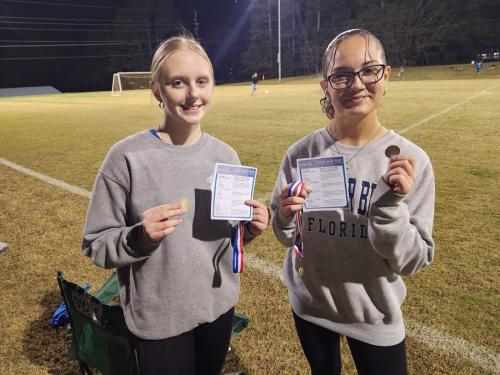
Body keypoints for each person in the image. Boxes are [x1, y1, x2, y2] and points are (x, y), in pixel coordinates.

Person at [82, 34, 269, 375]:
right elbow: (96, 244)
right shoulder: (126, 158)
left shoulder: (225, 156)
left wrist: (249, 230)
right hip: (159, 320)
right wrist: (139, 236)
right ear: (157, 90)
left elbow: (224, 240)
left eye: (202, 81)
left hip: (217, 307)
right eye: (178, 83)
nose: (193, 94)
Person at [271, 28, 435, 375]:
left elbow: (414, 260)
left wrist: (390, 211)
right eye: (342, 75)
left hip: (375, 314)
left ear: (386, 75)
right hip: (310, 305)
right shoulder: (301, 153)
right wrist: (285, 215)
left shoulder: (409, 160)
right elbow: (286, 236)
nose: (357, 83)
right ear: (326, 86)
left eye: (369, 70)